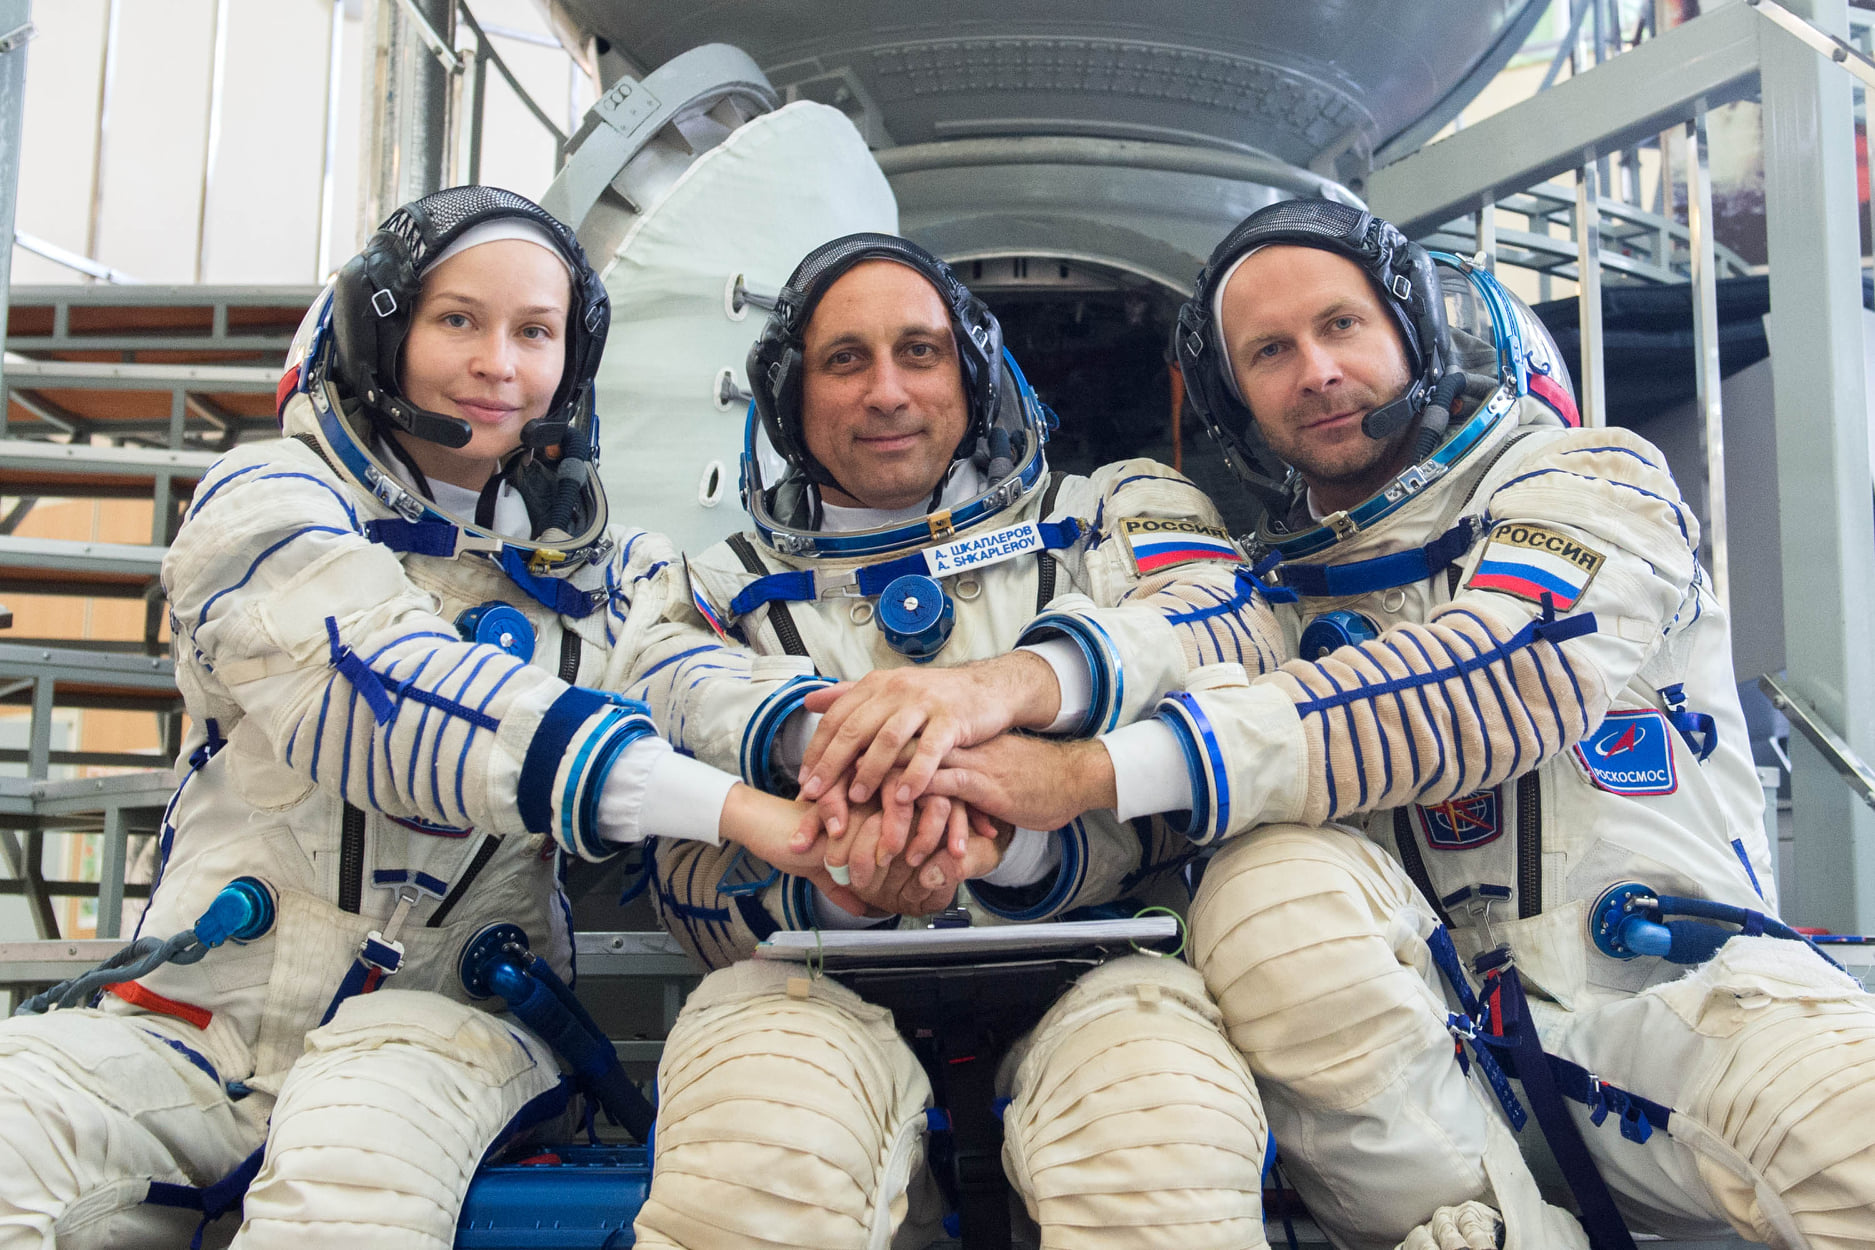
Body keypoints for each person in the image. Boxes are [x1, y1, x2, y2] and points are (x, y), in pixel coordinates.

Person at [919, 199, 1875, 1250]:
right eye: (1270, 352)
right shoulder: (1267, 600)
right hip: (1438, 1101)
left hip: (1684, 1015)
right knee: (1264, 886)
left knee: (1843, 1122)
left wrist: (1085, 772)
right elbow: (1168, 812)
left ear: (1412, 332)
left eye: (1341, 327)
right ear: (1238, 402)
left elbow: (1495, 677)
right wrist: (986, 827)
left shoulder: (1587, 477)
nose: (1317, 372)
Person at [0, 187, 854, 1250]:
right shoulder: (264, 502)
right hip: (196, 1023)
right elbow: (384, 693)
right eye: (459, 320)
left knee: (347, 1182)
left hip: (451, 1026)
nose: (500, 362)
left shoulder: (623, 576)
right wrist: (733, 807)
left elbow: (708, 686)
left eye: (535, 332)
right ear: (382, 328)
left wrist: (833, 751)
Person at [627, 233, 1283, 1249]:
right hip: (809, 991)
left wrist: (1015, 745)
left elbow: (1226, 617)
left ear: (973, 379)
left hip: (1104, 979)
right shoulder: (704, 589)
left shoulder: (1114, 513)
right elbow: (676, 812)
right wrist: (842, 860)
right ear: (791, 398)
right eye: (846, 360)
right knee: (758, 1166)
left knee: (1162, 1145)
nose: (887, 390)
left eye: (921, 353)